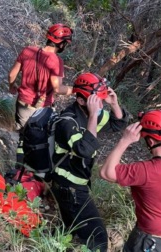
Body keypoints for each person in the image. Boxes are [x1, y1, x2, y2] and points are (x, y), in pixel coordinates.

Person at [50, 72, 129, 251]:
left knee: (67, 230)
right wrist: (94, 115)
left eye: (100, 99)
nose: (99, 104)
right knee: (98, 238)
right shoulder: (67, 121)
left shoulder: (91, 115)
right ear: (80, 100)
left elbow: (118, 124)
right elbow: (84, 149)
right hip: (68, 187)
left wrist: (114, 103)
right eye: (96, 100)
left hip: (77, 185)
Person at [100, 109, 161, 252]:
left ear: (150, 141)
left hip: (152, 239)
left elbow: (106, 172)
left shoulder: (144, 171)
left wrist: (125, 140)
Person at [8, 23, 74, 167]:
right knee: (37, 142)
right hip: (40, 109)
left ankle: (16, 166)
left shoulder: (27, 51)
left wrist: (12, 86)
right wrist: (75, 89)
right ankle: (26, 171)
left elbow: (12, 74)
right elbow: (57, 88)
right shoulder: (56, 61)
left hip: (22, 103)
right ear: (61, 44)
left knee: (22, 135)